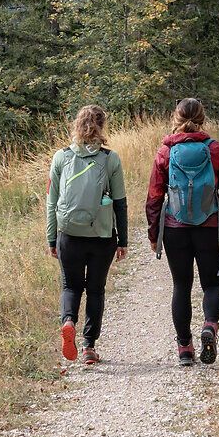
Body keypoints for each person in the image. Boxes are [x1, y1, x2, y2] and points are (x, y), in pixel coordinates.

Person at [146, 97, 219, 367]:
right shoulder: (216, 150)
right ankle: (210, 326)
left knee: (181, 286)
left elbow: (154, 196)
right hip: (209, 227)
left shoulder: (166, 152)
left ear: (175, 119)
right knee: (211, 284)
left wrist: (154, 234)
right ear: (203, 119)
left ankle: (185, 348)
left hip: (175, 229)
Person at [47, 104, 129, 366]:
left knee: (70, 285)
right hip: (102, 235)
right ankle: (88, 347)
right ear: (102, 126)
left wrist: (52, 238)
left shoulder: (61, 157)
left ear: (76, 125)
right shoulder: (110, 159)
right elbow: (120, 202)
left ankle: (68, 321)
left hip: (68, 233)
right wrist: (123, 239)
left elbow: (52, 201)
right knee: (95, 290)